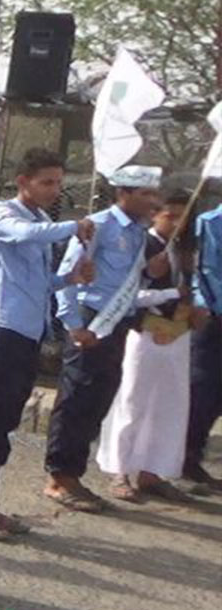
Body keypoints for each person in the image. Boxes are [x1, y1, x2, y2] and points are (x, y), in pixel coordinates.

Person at [0, 148, 95, 539]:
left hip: (29, 332)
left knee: (2, 422)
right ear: (24, 182)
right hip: (2, 329)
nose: (53, 190)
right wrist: (73, 227)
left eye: (58, 183)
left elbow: (42, 281)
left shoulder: (44, 220)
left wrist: (71, 279)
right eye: (46, 182)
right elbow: (23, 235)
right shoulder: (2, 213)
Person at [46, 165, 162, 512]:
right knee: (76, 398)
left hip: (117, 324)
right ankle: (57, 477)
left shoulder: (141, 232)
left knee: (97, 399)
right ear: (123, 193)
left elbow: (129, 283)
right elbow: (70, 273)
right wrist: (72, 326)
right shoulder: (98, 226)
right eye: (145, 194)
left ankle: (73, 474)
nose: (152, 201)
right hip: (91, 320)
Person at [95, 188, 201, 502]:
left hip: (178, 335)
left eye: (183, 217)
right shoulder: (143, 246)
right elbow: (130, 294)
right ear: (155, 214)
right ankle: (120, 470)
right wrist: (170, 293)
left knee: (168, 406)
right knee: (133, 402)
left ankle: (153, 470)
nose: (177, 223)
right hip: (145, 333)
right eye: (171, 216)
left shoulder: (183, 251)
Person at [183, 190, 221, 490]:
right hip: (212, 316)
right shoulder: (211, 222)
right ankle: (187, 458)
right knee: (203, 391)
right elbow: (207, 271)